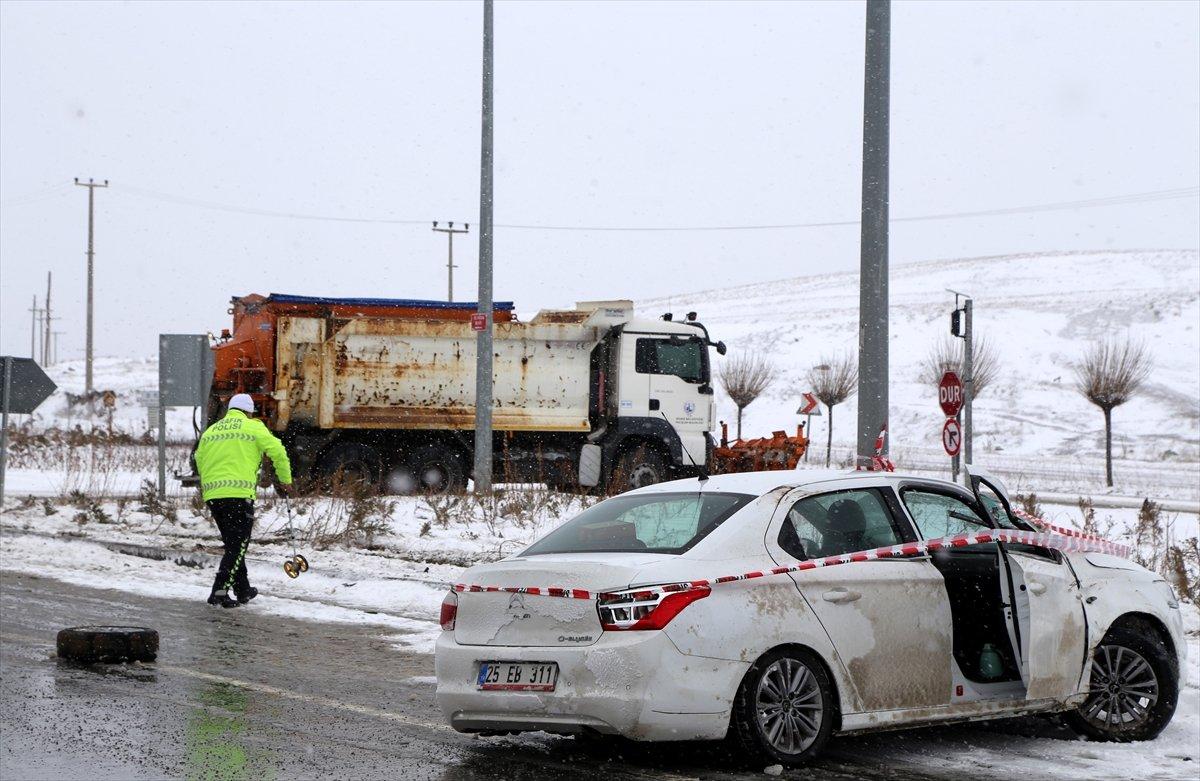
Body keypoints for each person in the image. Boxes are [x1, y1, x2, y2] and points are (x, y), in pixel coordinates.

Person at [194, 393, 293, 608]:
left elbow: (199, 458)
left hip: (213, 495)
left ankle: (242, 589)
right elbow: (278, 451)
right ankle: (219, 592)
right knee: (238, 546)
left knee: (233, 544)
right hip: (238, 495)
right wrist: (285, 480)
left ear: (230, 409)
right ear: (248, 411)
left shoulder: (211, 431)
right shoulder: (253, 427)